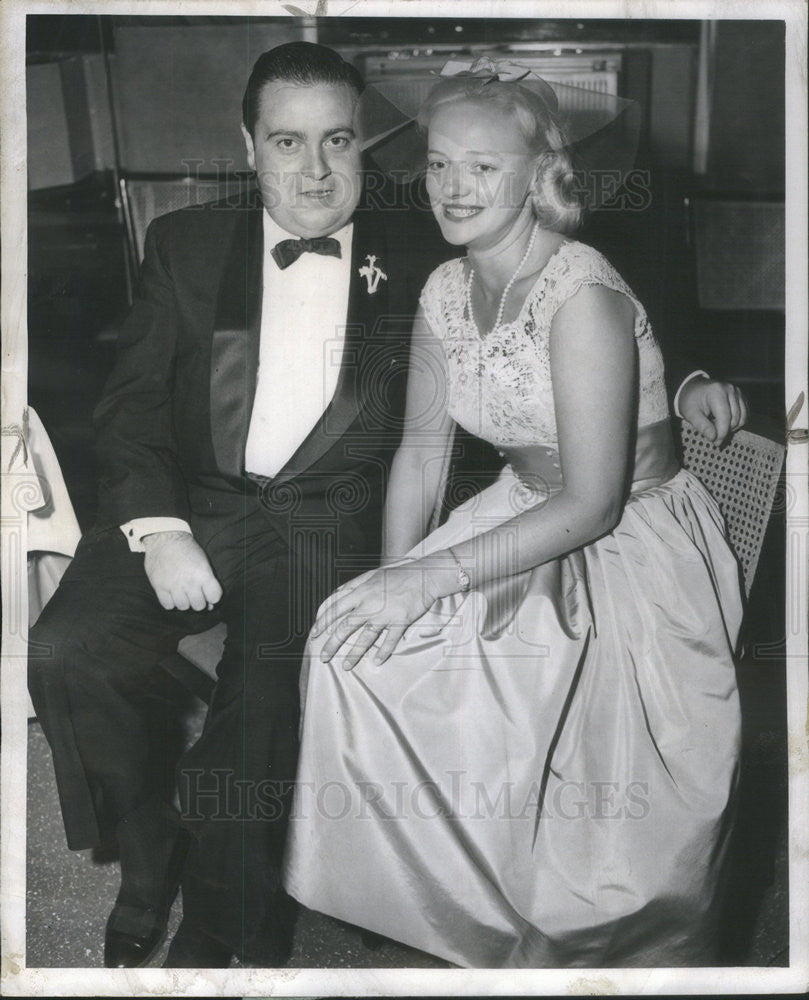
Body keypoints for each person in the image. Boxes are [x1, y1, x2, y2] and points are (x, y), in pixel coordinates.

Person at [28, 42, 743, 970]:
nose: (315, 170)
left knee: (270, 711)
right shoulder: (189, 244)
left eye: (338, 141)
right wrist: (160, 530)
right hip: (190, 512)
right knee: (63, 650)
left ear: (366, 144)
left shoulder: (429, 238)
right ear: (247, 145)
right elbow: (126, 410)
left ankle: (224, 936)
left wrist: (682, 372)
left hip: (326, 524)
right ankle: (148, 844)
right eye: (288, 142)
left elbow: (606, 268)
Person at [283, 63, 745, 968]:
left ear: (538, 175)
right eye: (439, 165)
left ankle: (561, 942)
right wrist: (390, 584)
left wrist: (429, 578)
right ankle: (463, 913)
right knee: (351, 653)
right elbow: (418, 459)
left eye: (483, 169)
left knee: (570, 790)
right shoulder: (444, 290)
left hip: (626, 545)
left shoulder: (583, 295)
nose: (453, 189)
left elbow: (592, 500)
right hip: (518, 512)